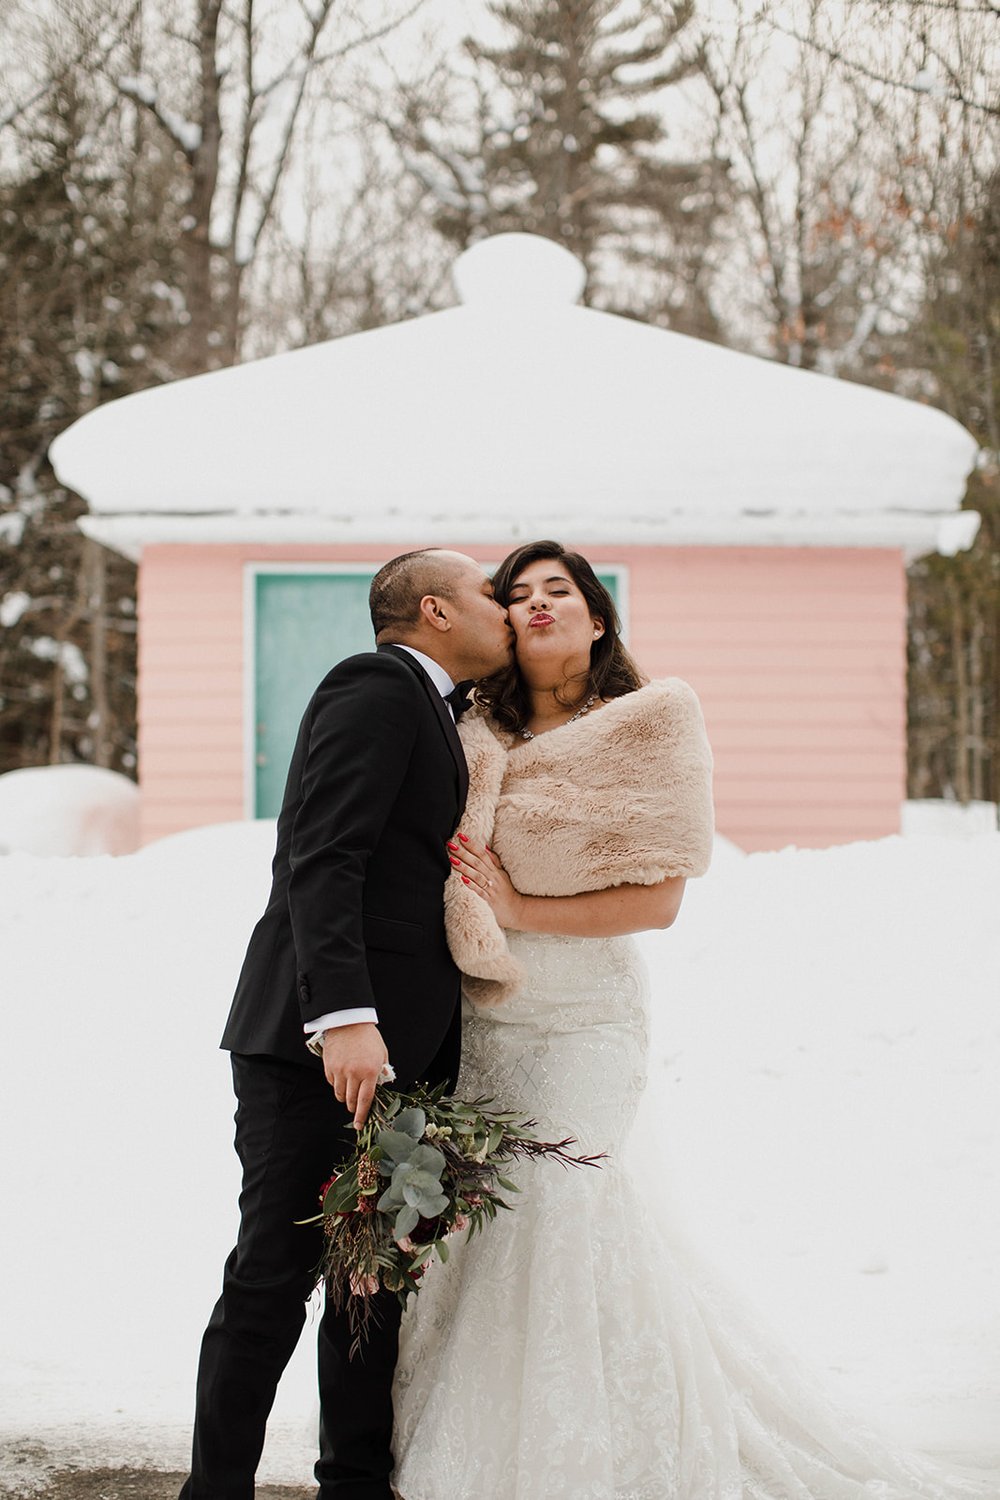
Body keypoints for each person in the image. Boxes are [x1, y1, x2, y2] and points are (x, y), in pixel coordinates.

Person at [390, 539, 996, 1500]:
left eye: (562, 591)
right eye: (519, 595)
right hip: (485, 1015)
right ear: (501, 624)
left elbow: (661, 898)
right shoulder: (468, 733)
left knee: (564, 1204)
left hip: (586, 1020)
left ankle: (583, 1453)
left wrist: (519, 909)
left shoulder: (651, 723)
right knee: (489, 1229)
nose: (539, 604)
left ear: (597, 617)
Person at [179, 548, 513, 1500]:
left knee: (372, 1283)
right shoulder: (375, 684)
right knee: (272, 1277)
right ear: (437, 610)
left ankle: (354, 1483)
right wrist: (345, 1017)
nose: (506, 607)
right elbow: (322, 855)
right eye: (492, 592)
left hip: (402, 1053)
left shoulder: (445, 710)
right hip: (315, 1045)